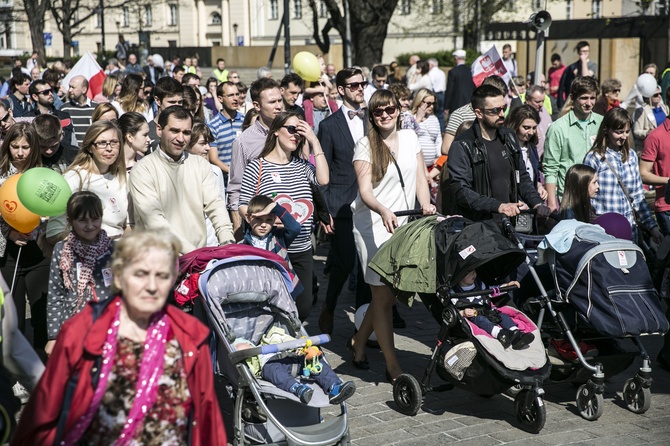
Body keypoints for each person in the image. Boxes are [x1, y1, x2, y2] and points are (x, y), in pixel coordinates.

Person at [12, 230, 227, 445]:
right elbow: (45, 410)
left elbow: (207, 418)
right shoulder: (82, 331)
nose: (152, 287)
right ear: (120, 276)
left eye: (162, 275)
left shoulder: (189, 336)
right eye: (141, 274)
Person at [349, 90, 435, 382]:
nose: (385, 115)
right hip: (373, 224)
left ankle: (360, 340)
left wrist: (426, 203)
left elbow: (420, 178)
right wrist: (384, 210)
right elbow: (365, 192)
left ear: (399, 110)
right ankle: (392, 364)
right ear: (371, 116)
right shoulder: (364, 146)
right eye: (378, 112)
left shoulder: (410, 138)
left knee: (390, 295)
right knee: (383, 295)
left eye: (390, 110)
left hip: (405, 223)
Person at [238, 111, 329, 321]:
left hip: (303, 249)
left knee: (304, 305)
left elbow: (323, 180)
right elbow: (243, 205)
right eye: (290, 129)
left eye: (299, 131)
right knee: (275, 304)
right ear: (276, 131)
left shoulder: (302, 166)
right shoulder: (257, 166)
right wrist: (262, 217)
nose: (295, 135)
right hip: (274, 250)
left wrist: (314, 140)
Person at [129, 106, 234, 253]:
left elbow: (215, 205)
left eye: (186, 132)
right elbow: (155, 222)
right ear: (159, 130)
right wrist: (193, 254)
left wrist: (227, 241)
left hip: (197, 261)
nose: (180, 138)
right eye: (174, 131)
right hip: (158, 262)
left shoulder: (200, 165)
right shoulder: (142, 170)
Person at [316, 68, 372, 334]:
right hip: (340, 205)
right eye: (353, 86)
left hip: (370, 202)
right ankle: (329, 305)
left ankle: (362, 325)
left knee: (367, 265)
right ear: (340, 90)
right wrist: (323, 211)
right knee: (346, 260)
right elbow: (322, 173)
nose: (360, 89)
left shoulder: (374, 118)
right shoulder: (328, 125)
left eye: (362, 84)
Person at [447, 85, 548, 221]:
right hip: (478, 225)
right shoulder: (463, 145)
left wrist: (536, 203)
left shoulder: (509, 137)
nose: (501, 114)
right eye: (495, 110)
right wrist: (498, 206)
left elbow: (522, 177)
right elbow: (462, 192)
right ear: (479, 113)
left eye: (503, 108)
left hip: (509, 224)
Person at [45, 192, 114, 356]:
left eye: (95, 219)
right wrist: (53, 337)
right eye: (82, 220)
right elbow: (55, 294)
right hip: (75, 326)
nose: (90, 225)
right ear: (70, 221)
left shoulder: (114, 249)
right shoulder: (62, 250)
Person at [0, 124, 49, 354]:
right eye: (15, 146)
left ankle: (43, 363)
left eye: (26, 147)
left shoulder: (42, 175)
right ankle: (17, 372)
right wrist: (9, 232)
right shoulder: (1, 174)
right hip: (8, 255)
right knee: (14, 317)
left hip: (38, 252)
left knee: (41, 314)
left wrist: (43, 222)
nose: (20, 152)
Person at [583, 108, 661, 243]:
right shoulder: (594, 158)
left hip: (629, 230)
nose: (624, 136)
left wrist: (652, 227)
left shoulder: (631, 157)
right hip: (604, 231)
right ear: (606, 130)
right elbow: (585, 197)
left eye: (626, 132)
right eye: (619, 132)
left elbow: (637, 197)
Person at [46, 120, 128, 243]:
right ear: (90, 147)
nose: (109, 148)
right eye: (102, 143)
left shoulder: (123, 176)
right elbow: (55, 232)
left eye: (114, 142)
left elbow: (130, 224)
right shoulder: (73, 179)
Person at [228, 78, 284, 235]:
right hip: (261, 224)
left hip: (293, 220)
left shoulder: (292, 132)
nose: (279, 106)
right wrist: (238, 227)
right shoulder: (243, 142)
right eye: (272, 102)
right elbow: (236, 188)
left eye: (280, 100)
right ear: (257, 106)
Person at [233, 331, 355, 405]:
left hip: (292, 357)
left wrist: (299, 347)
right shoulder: (254, 361)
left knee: (315, 362)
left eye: (243, 345)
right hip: (271, 364)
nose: (243, 347)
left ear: (250, 343)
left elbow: (290, 341)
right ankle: (298, 389)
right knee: (273, 371)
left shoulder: (268, 341)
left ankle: (335, 387)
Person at [544, 76, 603, 211]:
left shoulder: (601, 123)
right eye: (584, 98)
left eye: (592, 98)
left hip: (598, 198)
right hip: (570, 199)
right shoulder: (558, 128)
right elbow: (551, 169)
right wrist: (552, 204)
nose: (589, 103)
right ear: (572, 97)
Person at [451, 271, 533, 349]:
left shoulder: (479, 283)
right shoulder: (454, 292)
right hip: (475, 316)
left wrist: (507, 286)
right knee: (482, 320)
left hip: (488, 311)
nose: (474, 274)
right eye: (469, 273)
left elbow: (492, 291)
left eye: (474, 271)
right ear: (460, 276)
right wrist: (463, 312)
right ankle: (500, 334)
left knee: (502, 316)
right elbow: (452, 310)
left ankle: (516, 333)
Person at [186, 122, 226, 247]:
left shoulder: (216, 171)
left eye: (208, 143)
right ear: (188, 144)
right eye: (202, 143)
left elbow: (221, 207)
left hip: (211, 241)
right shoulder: (178, 172)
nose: (208, 148)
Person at [504, 105, 547, 202]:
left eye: (534, 127)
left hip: (530, 203)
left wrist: (539, 186)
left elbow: (533, 176)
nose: (531, 132)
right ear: (515, 125)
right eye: (526, 127)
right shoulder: (504, 147)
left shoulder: (531, 147)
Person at [208, 81, 244, 184]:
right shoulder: (213, 125)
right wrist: (232, 172)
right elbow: (213, 158)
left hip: (246, 179)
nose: (236, 98)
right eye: (230, 95)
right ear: (220, 99)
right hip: (223, 182)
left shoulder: (245, 120)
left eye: (237, 94)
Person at [147, 76, 184, 152]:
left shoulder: (188, 130)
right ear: (157, 100)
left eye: (180, 102)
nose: (177, 106)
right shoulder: (147, 132)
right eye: (172, 102)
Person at [60, 75, 98, 147]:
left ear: (84, 90)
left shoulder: (96, 108)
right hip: (72, 152)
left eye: (73, 87)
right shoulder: (64, 109)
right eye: (69, 87)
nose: (70, 90)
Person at [557, 41, 597, 108]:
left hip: (587, 98)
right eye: (583, 51)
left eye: (587, 51)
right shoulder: (572, 67)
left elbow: (586, 78)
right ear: (579, 52)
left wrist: (584, 61)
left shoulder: (592, 65)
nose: (585, 54)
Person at [411, 88, 442, 168]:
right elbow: (409, 136)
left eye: (433, 103)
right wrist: (418, 118)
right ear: (420, 101)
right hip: (415, 164)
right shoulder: (410, 117)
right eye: (428, 104)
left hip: (432, 165)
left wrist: (439, 156)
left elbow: (438, 141)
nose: (431, 106)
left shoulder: (434, 119)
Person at [633, 85, 668, 153]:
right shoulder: (641, 110)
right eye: (656, 95)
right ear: (648, 97)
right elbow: (636, 131)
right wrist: (647, 132)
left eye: (660, 94)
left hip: (664, 146)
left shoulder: (665, 108)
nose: (659, 96)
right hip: (648, 147)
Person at [523, 85, 552, 158]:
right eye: (537, 102)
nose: (541, 104)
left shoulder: (544, 111)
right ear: (527, 99)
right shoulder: (521, 115)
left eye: (543, 101)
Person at [445, 50, 475, 115]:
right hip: (469, 103)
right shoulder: (470, 71)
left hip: (456, 104)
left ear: (456, 59)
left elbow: (450, 90)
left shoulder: (453, 72)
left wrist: (446, 106)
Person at [427, 58, 447, 133]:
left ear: (431, 65)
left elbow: (430, 85)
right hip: (442, 94)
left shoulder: (431, 73)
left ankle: (436, 131)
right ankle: (442, 131)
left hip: (435, 94)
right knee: (441, 115)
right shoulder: (442, 72)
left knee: (434, 114)